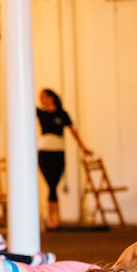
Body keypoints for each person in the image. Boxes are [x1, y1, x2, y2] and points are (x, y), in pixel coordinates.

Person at [36, 88, 92, 229]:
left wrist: (83, 147)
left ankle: (54, 217)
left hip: (58, 151)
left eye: (43, 96)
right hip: (44, 151)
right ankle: (53, 217)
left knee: (54, 183)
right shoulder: (41, 113)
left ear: (51, 98)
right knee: (50, 184)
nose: (40, 99)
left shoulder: (62, 114)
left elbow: (73, 131)